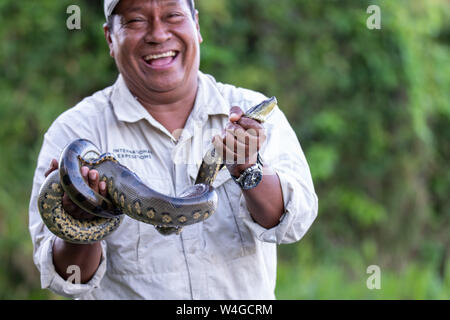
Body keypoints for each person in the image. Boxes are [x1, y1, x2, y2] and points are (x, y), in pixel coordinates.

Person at [29, 0, 318, 299]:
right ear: (110, 39)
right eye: (136, 20)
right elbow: (67, 279)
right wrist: (84, 215)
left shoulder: (247, 116)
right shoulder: (74, 130)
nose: (158, 34)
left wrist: (247, 168)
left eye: (172, 15)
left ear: (197, 25)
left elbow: (293, 224)